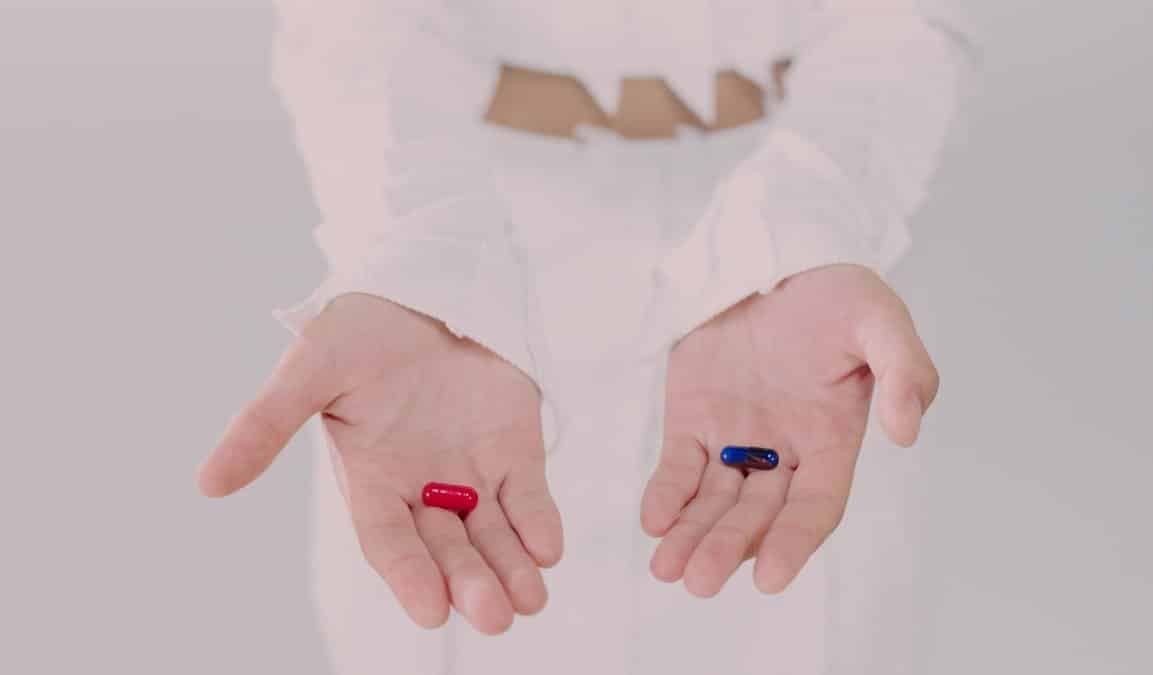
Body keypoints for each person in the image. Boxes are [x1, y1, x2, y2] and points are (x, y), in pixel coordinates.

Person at [197, 1, 974, 672]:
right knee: (442, 601)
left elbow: (903, 22)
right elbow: (350, 27)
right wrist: (417, 258)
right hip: (458, 206)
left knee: (810, 613)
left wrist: (807, 221)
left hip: (815, 234)